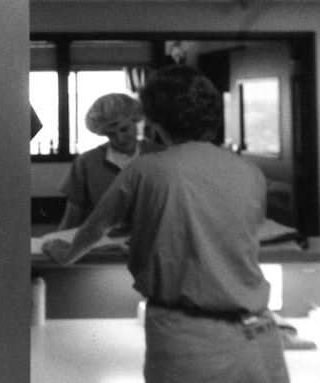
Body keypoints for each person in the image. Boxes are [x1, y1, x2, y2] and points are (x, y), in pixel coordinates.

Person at [43, 66, 289, 383]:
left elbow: (94, 228)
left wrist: (67, 253)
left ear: (154, 124)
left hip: (188, 341)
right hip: (260, 336)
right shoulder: (249, 172)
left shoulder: (146, 169)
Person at [57, 93, 162, 230]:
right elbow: (72, 216)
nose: (120, 138)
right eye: (111, 134)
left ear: (135, 122)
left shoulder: (159, 154)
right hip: (102, 244)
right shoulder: (87, 162)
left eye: (124, 129)